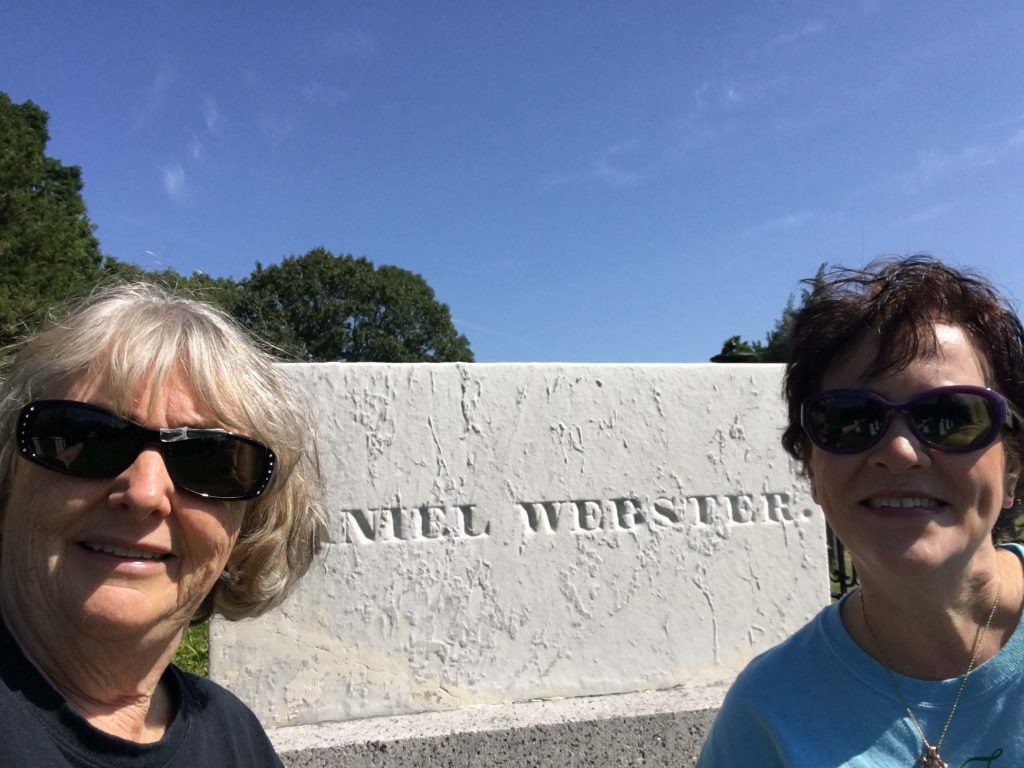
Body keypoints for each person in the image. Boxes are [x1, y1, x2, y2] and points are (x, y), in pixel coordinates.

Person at [698, 256, 1024, 767]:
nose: (899, 452)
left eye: (951, 416)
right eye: (851, 418)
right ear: (810, 469)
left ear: (1013, 470)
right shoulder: (768, 713)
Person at [0, 282, 327, 766]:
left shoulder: (234, 736)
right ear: (8, 475)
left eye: (209, 460)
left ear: (248, 526)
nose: (145, 494)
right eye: (91, 438)